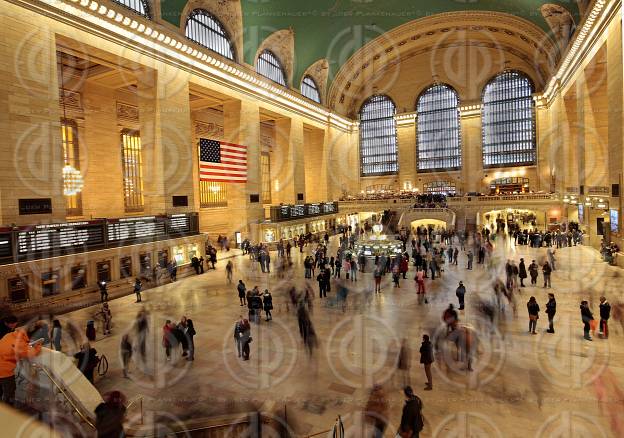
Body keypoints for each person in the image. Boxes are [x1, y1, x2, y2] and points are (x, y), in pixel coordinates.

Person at [0, 324, 42, 404]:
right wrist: (38, 346)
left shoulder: (10, 335)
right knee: (9, 391)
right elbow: (31, 353)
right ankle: (7, 411)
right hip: (4, 371)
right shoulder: (20, 344)